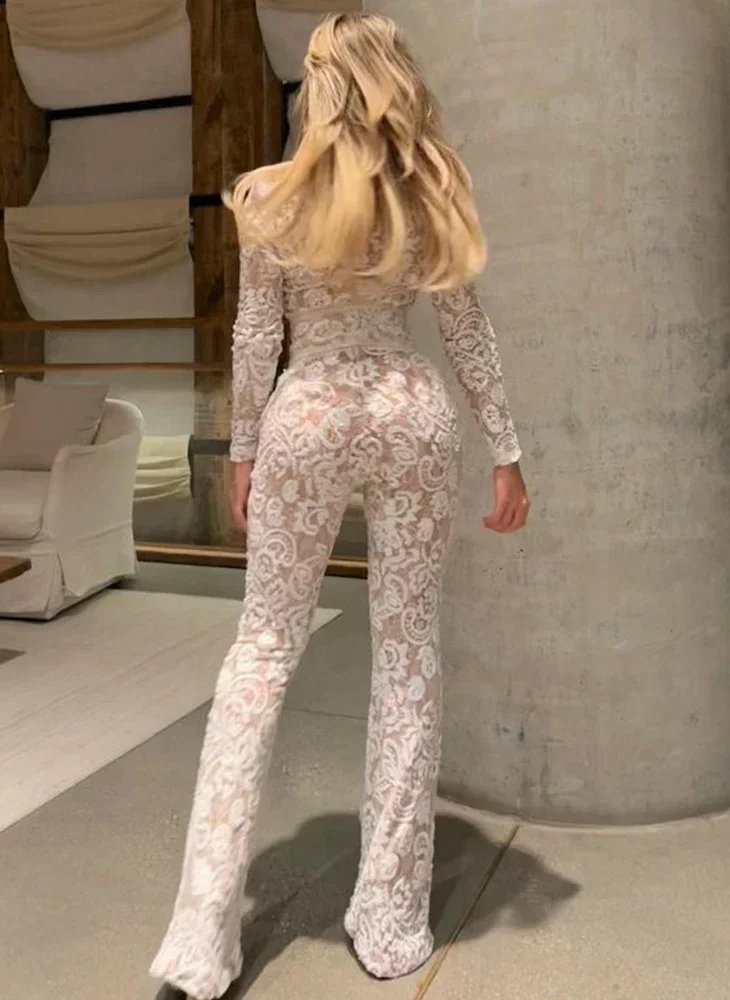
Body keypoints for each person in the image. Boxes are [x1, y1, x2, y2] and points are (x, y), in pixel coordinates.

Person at [151, 12, 529, 1000]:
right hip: (411, 415)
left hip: (309, 415)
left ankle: (199, 941)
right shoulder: (431, 184)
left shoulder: (268, 196)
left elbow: (255, 337)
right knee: (407, 655)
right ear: (395, 77)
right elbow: (466, 328)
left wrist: (242, 447)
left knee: (261, 652)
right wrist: (506, 448)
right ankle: (391, 921)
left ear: (317, 83)